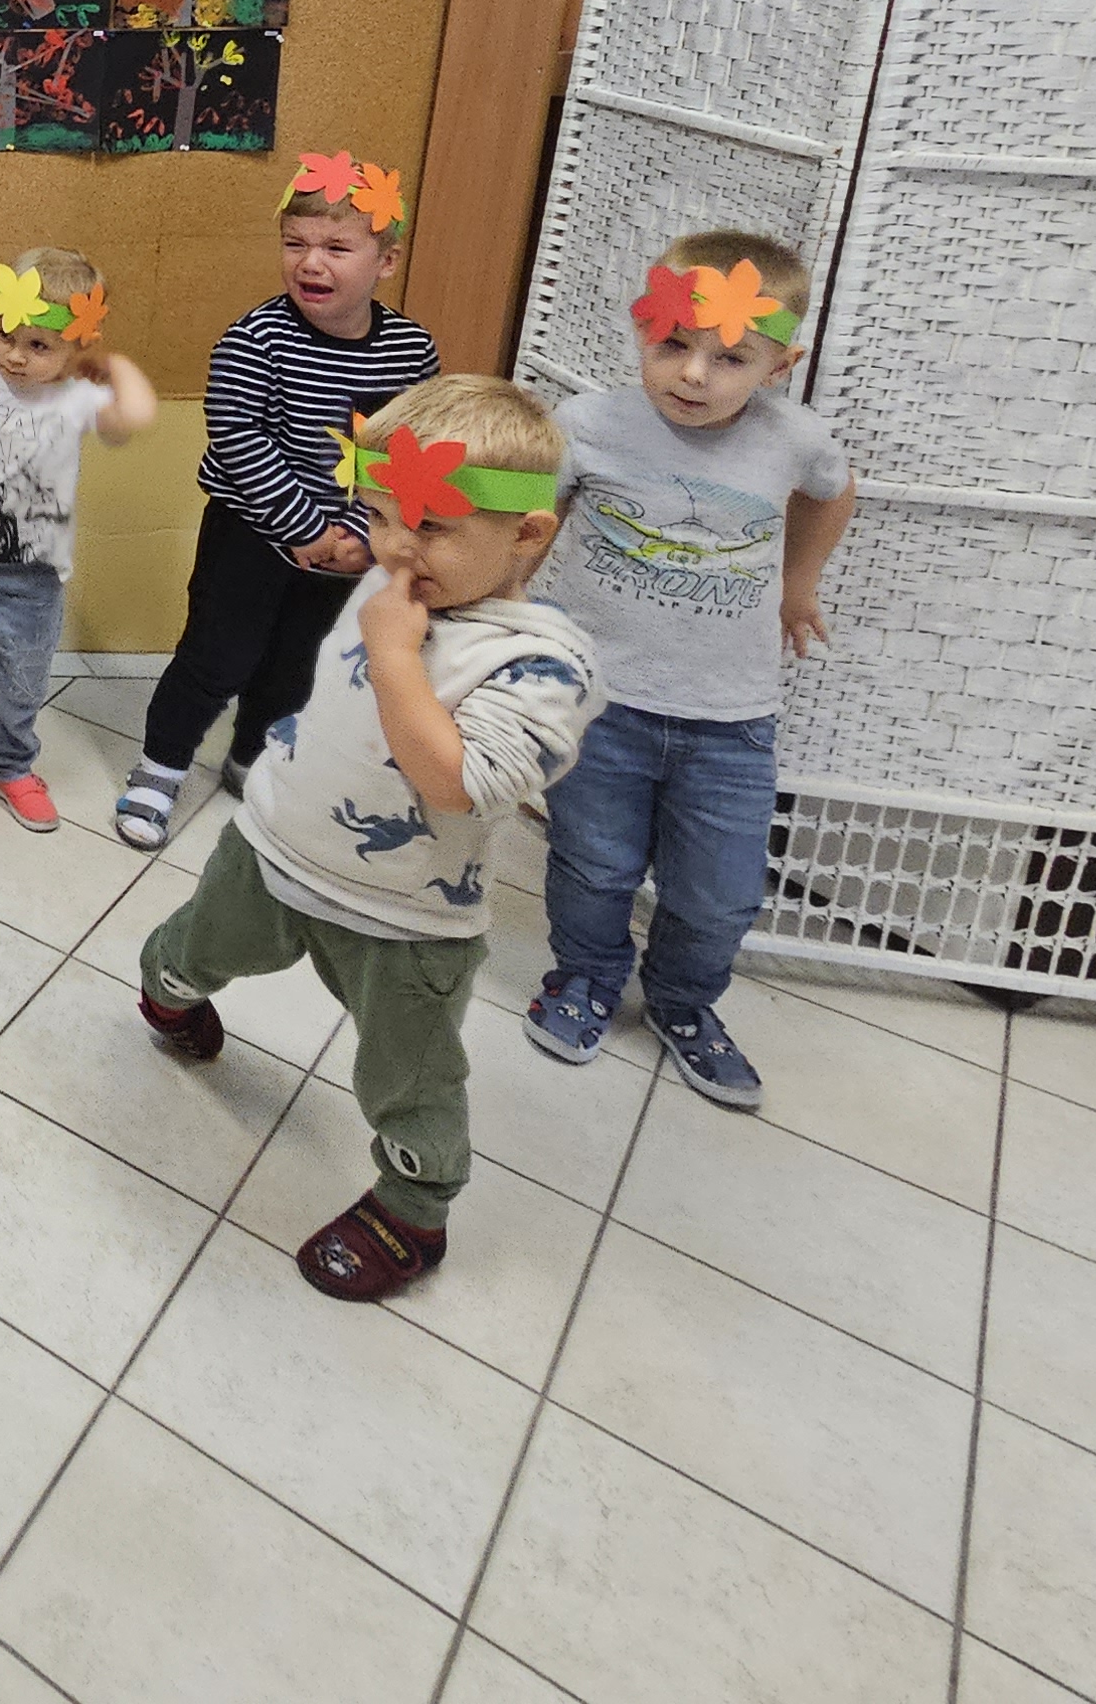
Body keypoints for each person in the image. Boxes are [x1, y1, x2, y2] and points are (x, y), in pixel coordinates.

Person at [137, 373, 597, 1300]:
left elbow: (456, 783)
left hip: (407, 920)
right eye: (382, 514)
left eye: (431, 525)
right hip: (273, 845)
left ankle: (413, 1209)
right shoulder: (392, 583)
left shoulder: (542, 664)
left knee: (408, 1077)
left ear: (527, 534)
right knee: (194, 948)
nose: (394, 545)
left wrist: (393, 655)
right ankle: (171, 991)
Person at [526, 236, 858, 1109]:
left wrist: (801, 583)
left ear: (781, 364)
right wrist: (501, 614)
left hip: (732, 722)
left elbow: (834, 491)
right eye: (673, 344)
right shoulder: (587, 425)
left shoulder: (794, 439)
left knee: (720, 895)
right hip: (601, 705)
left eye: (731, 358)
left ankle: (682, 1002)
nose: (695, 374)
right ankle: (585, 977)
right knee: (593, 865)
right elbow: (529, 523)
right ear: (644, 327)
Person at [114, 150, 440, 852]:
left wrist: (359, 533)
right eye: (295, 244)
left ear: (386, 261)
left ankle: (251, 756)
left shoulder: (411, 351)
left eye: (336, 248)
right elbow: (237, 435)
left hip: (347, 545)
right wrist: (302, 527)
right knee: (216, 658)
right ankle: (160, 767)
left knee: (299, 662)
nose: (310, 263)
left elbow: (404, 451)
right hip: (252, 533)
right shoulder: (256, 338)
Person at [0, 251, 158, 832]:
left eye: (40, 345)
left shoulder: (75, 395)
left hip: (35, 576)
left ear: (74, 347)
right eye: (6, 335)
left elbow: (136, 416)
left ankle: (13, 766)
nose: (16, 355)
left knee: (23, 682)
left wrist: (111, 366)